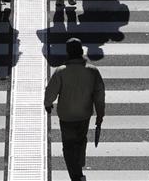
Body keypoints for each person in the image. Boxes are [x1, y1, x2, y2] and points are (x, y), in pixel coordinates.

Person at [44, 38, 105, 181]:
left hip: (66, 116)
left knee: (68, 147)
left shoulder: (61, 71)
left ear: (68, 52)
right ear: (81, 52)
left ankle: (77, 176)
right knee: (81, 140)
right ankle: (79, 166)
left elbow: (50, 92)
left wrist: (47, 104)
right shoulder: (92, 71)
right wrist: (100, 114)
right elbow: (99, 94)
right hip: (84, 114)